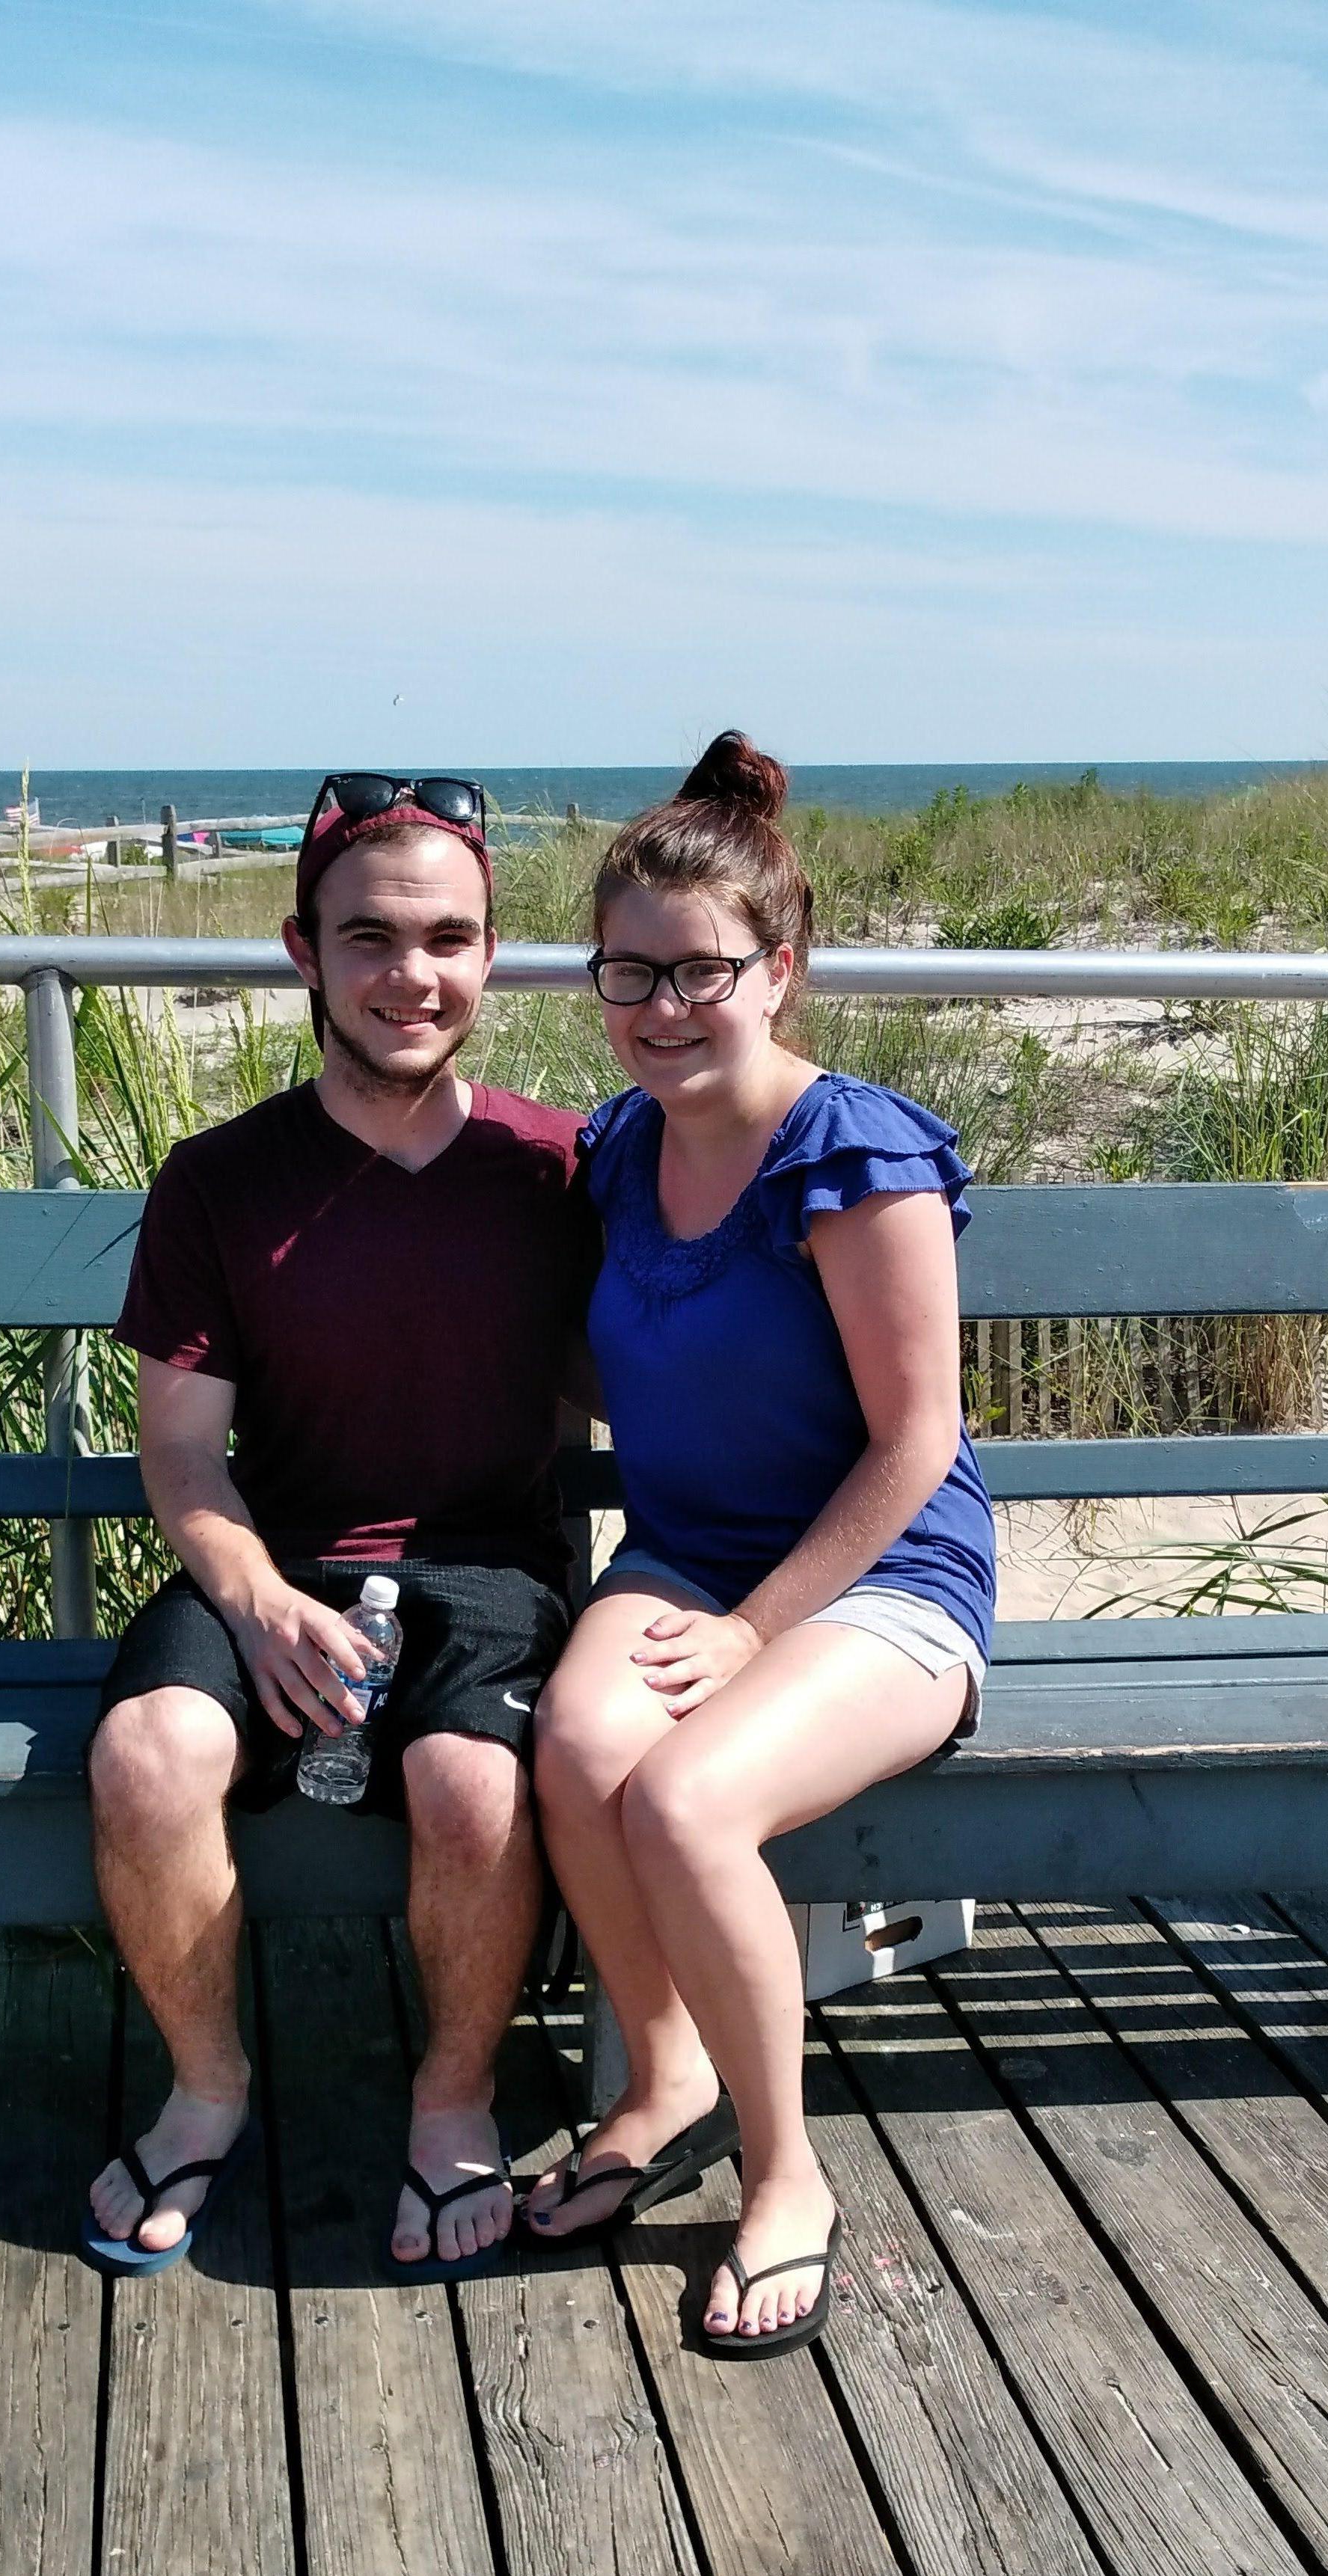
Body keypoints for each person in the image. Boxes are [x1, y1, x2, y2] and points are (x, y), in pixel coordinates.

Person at [81, 773, 596, 2277]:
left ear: (492, 955)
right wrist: (253, 1602)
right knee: (146, 1751)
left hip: (488, 1568)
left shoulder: (558, 1167)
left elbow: (671, 1359)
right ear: (301, 947)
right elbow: (179, 1454)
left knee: (468, 1786)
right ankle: (206, 2088)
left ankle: (451, 2105)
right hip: (279, 1556)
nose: (410, 974)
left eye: (449, 938)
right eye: (369, 936)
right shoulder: (222, 1180)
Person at [519, 732, 995, 2358]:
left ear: (778, 968)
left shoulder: (851, 1151)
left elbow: (912, 1439)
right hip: (689, 1549)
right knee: (578, 1744)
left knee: (685, 1791)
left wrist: (754, 1633)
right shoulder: (619, 1149)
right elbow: (617, 1353)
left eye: (700, 971)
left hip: (882, 1575)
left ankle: (785, 2172)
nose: (659, 1005)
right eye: (624, 972)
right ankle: (666, 2074)